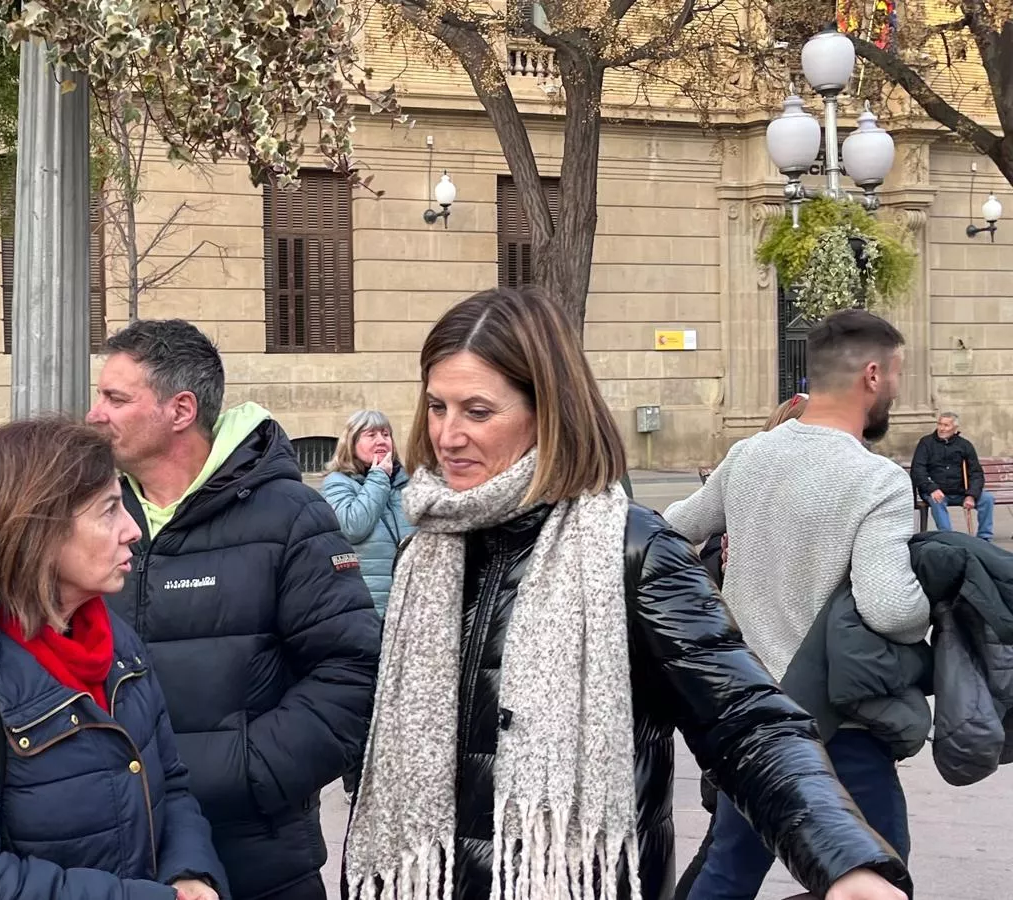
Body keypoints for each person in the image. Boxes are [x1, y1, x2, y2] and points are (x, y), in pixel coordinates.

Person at [342, 288, 910, 900]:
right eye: (436, 406)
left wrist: (844, 859)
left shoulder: (632, 551)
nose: (447, 435)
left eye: (477, 411)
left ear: (547, 411)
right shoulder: (423, 549)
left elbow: (746, 722)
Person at [87, 319, 381, 900]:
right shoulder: (93, 515)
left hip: (260, 860)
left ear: (180, 410)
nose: (96, 414)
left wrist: (244, 770)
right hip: (119, 856)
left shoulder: (292, 516)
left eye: (115, 398)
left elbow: (352, 673)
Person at [0, 417, 227, 900]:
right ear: (36, 531)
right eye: (110, 510)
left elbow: (170, 786)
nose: (132, 529)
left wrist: (190, 873)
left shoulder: (118, 648)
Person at [665, 308, 928, 899]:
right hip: (841, 725)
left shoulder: (749, 456)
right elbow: (890, 609)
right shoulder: (876, 479)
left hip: (751, 715)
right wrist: (931, 602)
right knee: (880, 879)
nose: (896, 388)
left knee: (729, 871)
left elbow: (668, 534)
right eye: (896, 375)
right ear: (871, 375)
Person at [672, 390, 807, 900]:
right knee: (729, 854)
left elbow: (674, 525)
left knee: (727, 852)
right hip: (768, 693)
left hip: (738, 685)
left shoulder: (747, 476)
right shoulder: (772, 479)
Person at [321, 410, 414, 615]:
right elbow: (353, 528)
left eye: (386, 434)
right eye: (371, 435)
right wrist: (379, 476)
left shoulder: (407, 485)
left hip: (410, 610)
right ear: (351, 443)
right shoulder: (337, 483)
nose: (381, 440)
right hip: (369, 609)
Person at [911, 411, 994, 539]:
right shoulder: (926, 443)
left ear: (955, 429)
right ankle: (949, 538)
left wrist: (971, 495)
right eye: (940, 424)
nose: (942, 428)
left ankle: (984, 538)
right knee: (937, 500)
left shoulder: (964, 445)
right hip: (936, 490)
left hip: (961, 491)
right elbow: (918, 469)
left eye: (946, 425)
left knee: (987, 498)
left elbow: (976, 473)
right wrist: (931, 488)